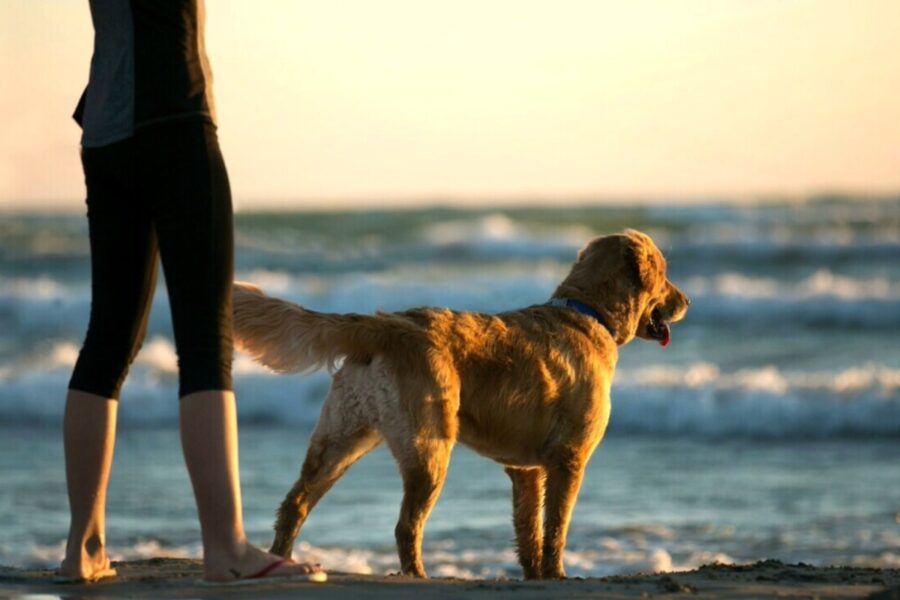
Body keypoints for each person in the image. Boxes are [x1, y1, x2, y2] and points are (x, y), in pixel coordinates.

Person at [58, 0, 325, 584]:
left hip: (106, 132)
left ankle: (83, 547)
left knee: (106, 342)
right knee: (205, 342)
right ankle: (226, 547)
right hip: (175, 118)